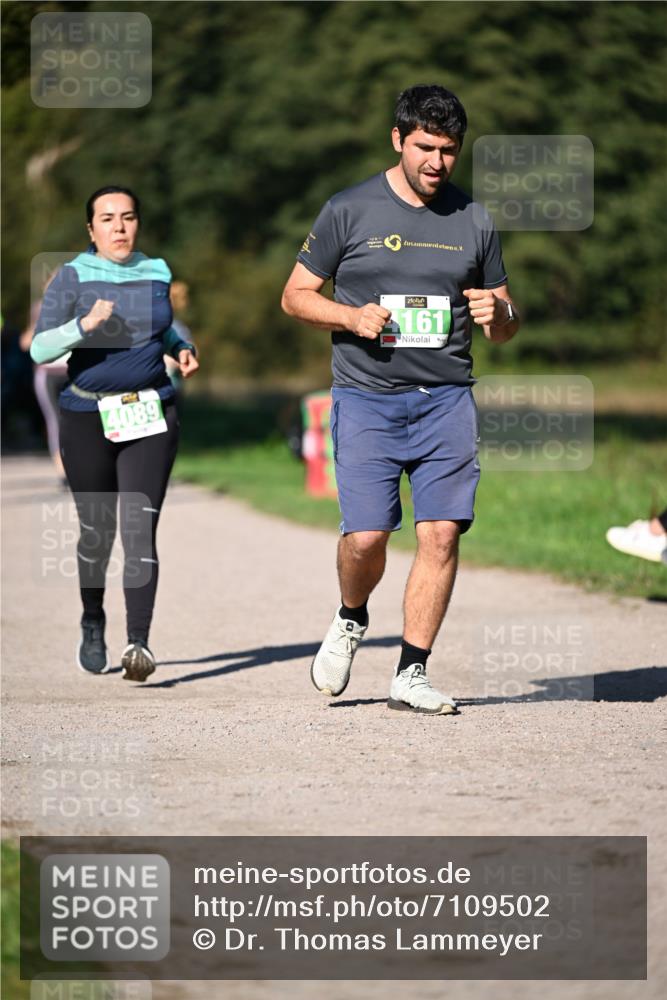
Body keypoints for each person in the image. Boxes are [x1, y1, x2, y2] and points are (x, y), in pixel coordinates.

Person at [281, 84, 520, 715]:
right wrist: (350, 318)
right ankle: (352, 615)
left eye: (448, 150)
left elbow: (503, 320)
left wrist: (500, 311)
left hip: (446, 398)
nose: (436, 162)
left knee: (441, 532)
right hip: (366, 397)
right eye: (424, 148)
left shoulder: (474, 219)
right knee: (367, 537)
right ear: (398, 139)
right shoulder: (349, 209)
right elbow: (295, 295)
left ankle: (411, 671)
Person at [30, 186, 199, 680]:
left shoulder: (156, 270)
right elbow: (40, 349)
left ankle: (138, 643)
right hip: (87, 417)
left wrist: (180, 345)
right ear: (91, 230)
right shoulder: (73, 275)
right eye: (107, 219)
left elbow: (160, 329)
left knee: (139, 528)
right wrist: (83, 324)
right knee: (97, 533)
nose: (119, 227)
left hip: (150, 412)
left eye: (127, 217)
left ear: (137, 224)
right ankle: (92, 617)